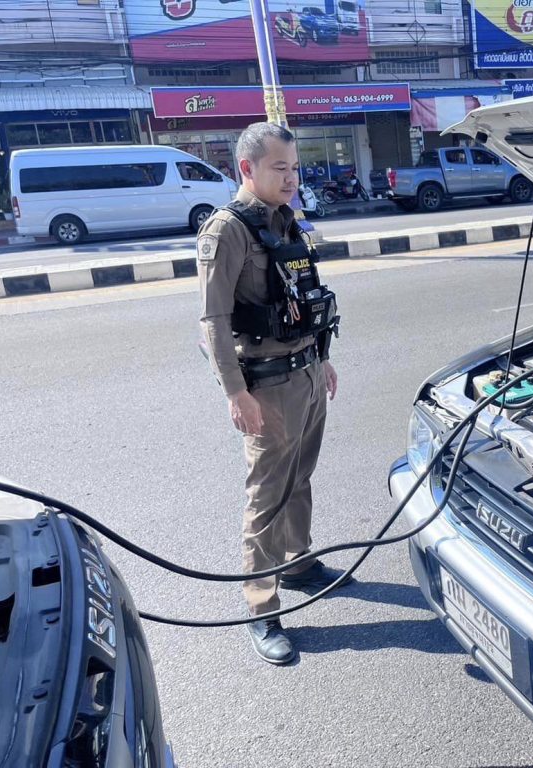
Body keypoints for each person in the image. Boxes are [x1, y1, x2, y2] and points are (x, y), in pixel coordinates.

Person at [196, 122, 348, 665]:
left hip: (306, 374)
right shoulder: (228, 230)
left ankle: (298, 561)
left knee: (299, 477)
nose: (291, 178)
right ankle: (260, 606)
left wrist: (322, 358)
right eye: (279, 168)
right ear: (248, 169)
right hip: (266, 386)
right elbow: (213, 321)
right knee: (266, 494)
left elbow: (303, 298)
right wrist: (235, 393)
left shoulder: (286, 220)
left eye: (295, 167)